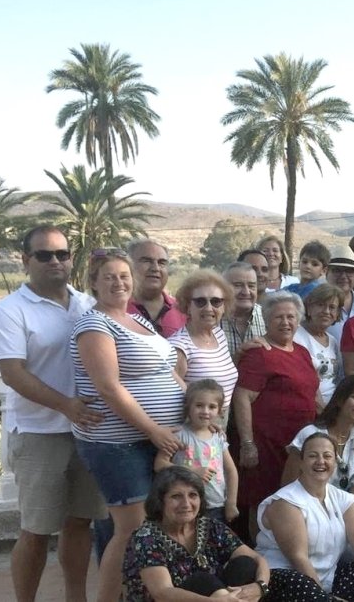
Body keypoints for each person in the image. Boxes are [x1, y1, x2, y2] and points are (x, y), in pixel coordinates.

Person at [0, 225, 103, 602]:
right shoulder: (10, 311)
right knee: (35, 530)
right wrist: (67, 406)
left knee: (79, 523)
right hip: (39, 433)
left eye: (62, 254)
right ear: (25, 260)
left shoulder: (88, 304)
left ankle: (75, 597)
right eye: (44, 255)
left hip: (88, 432)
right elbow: (13, 373)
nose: (55, 261)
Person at [70, 248, 186, 602]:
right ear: (93, 283)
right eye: (109, 277)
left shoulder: (139, 321)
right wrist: (154, 428)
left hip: (162, 441)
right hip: (120, 444)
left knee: (161, 525)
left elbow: (168, 371)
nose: (119, 282)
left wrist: (196, 415)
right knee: (130, 530)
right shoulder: (94, 323)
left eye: (124, 276)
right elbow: (108, 387)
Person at [256, 433, 354, 600]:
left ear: (335, 462)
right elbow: (298, 558)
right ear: (302, 463)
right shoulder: (286, 502)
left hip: (326, 578)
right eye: (313, 456)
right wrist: (325, 597)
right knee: (305, 589)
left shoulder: (342, 498)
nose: (321, 461)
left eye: (327, 456)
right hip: (285, 577)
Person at [234, 292, 320, 535]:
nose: (285, 322)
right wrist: (248, 443)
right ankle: (262, 556)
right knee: (263, 503)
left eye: (291, 317)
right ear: (267, 320)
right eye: (278, 317)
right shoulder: (259, 352)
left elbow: (313, 393)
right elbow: (242, 397)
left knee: (293, 502)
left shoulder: (302, 352)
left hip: (298, 445)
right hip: (267, 445)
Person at [122, 467, 269, 601]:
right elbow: (162, 592)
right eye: (176, 496)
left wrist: (259, 587)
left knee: (245, 564)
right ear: (160, 502)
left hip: (221, 596)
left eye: (193, 495)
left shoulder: (211, 527)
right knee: (203, 581)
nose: (186, 504)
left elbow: (257, 558)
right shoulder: (146, 538)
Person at [283, 374, 354, 532]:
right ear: (340, 400)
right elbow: (288, 483)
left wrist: (342, 504)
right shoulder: (310, 434)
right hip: (310, 507)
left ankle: (353, 554)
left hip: (344, 506)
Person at [154, 378, 239, 523]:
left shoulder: (218, 437)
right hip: (185, 506)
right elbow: (159, 464)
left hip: (216, 505)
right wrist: (192, 470)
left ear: (220, 411)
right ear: (188, 407)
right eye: (199, 405)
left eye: (212, 407)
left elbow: (231, 471)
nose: (205, 411)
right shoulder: (179, 435)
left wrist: (231, 503)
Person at [170, 270, 239, 413]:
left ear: (224, 306)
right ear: (188, 306)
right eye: (200, 301)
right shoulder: (179, 346)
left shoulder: (219, 335)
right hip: (195, 427)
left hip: (218, 424)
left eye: (216, 301)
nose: (208, 308)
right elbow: (172, 396)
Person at [295, 283, 347, 403]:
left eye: (332, 307)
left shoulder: (333, 341)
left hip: (333, 406)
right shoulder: (296, 336)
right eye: (320, 305)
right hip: (308, 405)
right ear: (308, 308)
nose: (326, 311)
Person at [126, 239, 187, 337]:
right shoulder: (115, 310)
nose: (155, 268)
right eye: (146, 261)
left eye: (162, 263)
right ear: (128, 266)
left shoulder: (184, 311)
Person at [219, 262, 266, 362]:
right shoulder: (211, 319)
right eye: (238, 285)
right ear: (222, 288)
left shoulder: (268, 315)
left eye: (251, 286)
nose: (246, 292)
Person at [327, 247, 354, 345]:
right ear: (326, 273)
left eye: (349, 271)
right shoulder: (316, 305)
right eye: (337, 271)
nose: (343, 276)